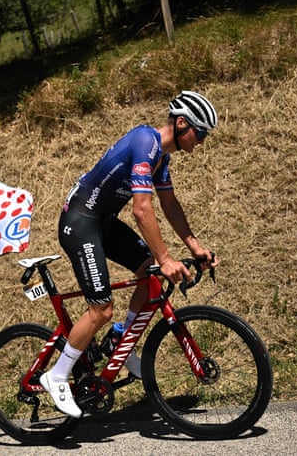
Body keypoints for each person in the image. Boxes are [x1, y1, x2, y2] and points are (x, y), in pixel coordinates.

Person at [40, 90, 220, 418]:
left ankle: (120, 343)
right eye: (201, 132)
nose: (202, 141)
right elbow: (142, 208)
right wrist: (166, 258)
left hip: (103, 223)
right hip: (80, 223)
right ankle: (57, 376)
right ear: (181, 123)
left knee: (147, 274)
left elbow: (169, 204)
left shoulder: (160, 158)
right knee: (102, 309)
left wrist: (195, 247)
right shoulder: (145, 141)